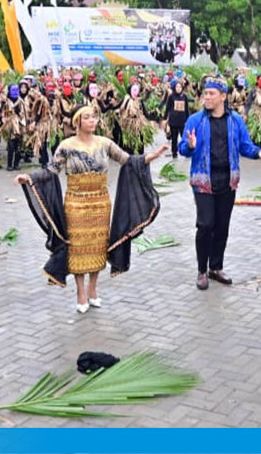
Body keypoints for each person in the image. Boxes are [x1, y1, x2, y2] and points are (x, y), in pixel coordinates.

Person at [17, 105, 167, 312]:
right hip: (76, 204)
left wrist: (152, 156)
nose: (92, 121)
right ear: (77, 121)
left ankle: (93, 288)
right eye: (87, 118)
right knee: (78, 249)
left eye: (94, 117)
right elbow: (52, 171)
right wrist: (29, 178)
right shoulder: (67, 146)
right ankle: (80, 292)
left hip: (100, 203)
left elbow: (128, 160)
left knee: (97, 246)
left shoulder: (104, 143)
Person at [179, 77, 261, 290]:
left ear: (223, 96)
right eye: (205, 94)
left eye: (211, 94)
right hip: (203, 181)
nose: (206, 97)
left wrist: (259, 152)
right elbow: (182, 149)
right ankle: (201, 270)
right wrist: (190, 146)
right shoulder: (195, 121)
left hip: (228, 181)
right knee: (205, 224)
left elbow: (245, 146)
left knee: (222, 226)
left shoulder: (235, 120)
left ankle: (216, 267)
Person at [164, 79, 191, 159]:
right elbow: (168, 108)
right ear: (174, 88)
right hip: (173, 121)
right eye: (177, 87)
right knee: (174, 138)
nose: (178, 88)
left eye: (180, 87)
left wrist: (188, 119)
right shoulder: (171, 97)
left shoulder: (184, 96)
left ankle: (186, 151)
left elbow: (186, 109)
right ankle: (174, 153)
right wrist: (165, 119)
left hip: (182, 121)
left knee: (184, 137)